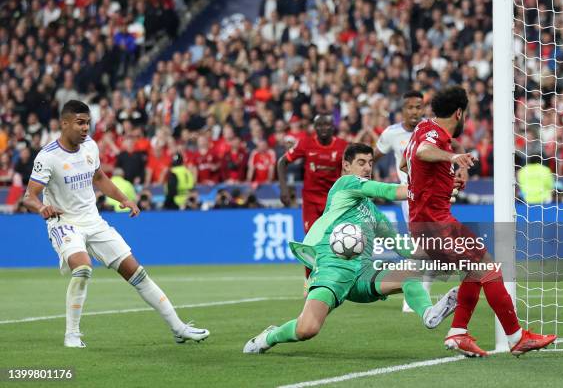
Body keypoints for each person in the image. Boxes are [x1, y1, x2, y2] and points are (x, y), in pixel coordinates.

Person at [22, 100, 209, 348]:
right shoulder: (48, 157)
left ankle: (178, 328)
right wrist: (42, 207)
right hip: (64, 222)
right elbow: (29, 196)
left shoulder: (90, 146)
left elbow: (99, 177)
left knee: (137, 273)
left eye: (88, 122)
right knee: (83, 268)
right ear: (64, 124)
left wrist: (124, 199)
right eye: (80, 122)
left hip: (93, 221)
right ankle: (72, 335)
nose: (85, 128)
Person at [243, 143, 459, 354]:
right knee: (307, 329)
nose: (367, 168)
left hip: (363, 273)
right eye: (361, 162)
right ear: (346, 166)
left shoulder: (374, 214)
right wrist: (436, 188)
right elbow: (385, 189)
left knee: (408, 274)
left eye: (370, 163)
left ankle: (428, 313)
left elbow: (404, 247)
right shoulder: (345, 185)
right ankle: (270, 336)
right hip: (332, 267)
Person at [402, 86, 556, 356]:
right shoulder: (432, 135)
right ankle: (517, 338)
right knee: (488, 271)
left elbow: (407, 165)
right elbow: (422, 153)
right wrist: (452, 158)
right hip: (434, 224)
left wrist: (447, 175)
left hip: (436, 220)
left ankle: (458, 332)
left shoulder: (424, 127)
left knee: (480, 264)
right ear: (459, 113)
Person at [374, 91, 468, 312]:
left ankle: (417, 291)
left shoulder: (430, 128)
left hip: (432, 193)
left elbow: (457, 147)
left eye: (419, 107)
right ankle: (412, 290)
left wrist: (458, 169)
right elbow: (380, 158)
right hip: (413, 196)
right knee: (431, 249)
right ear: (403, 109)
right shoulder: (392, 133)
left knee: (432, 249)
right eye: (411, 107)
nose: (415, 111)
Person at [277, 114, 348, 289]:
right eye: (320, 125)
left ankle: (337, 279)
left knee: (336, 241)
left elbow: (352, 169)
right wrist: (284, 189)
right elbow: (282, 162)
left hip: (333, 201)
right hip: (310, 200)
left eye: (327, 125)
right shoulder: (306, 143)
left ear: (333, 127)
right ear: (314, 128)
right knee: (311, 242)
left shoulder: (342, 146)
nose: (324, 128)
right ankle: (309, 282)